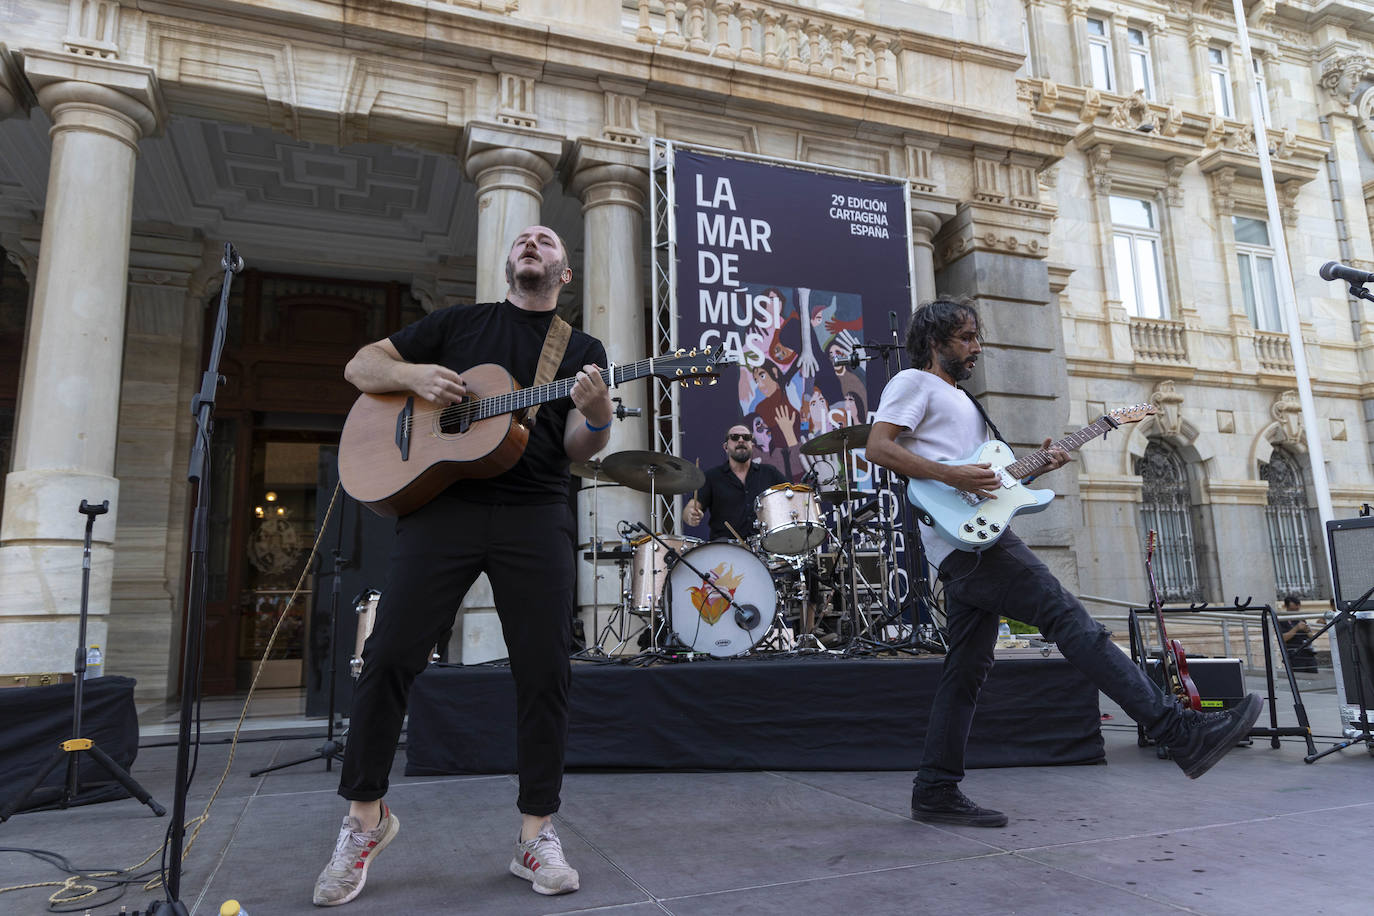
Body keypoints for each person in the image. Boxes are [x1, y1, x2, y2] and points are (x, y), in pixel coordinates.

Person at [864, 297, 1263, 829]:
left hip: (972, 543)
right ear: (935, 341)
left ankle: (935, 788)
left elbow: (993, 484)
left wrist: (1038, 465)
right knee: (1075, 625)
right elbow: (878, 448)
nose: (976, 346)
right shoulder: (915, 384)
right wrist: (956, 476)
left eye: (976, 336)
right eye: (965, 337)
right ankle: (1178, 731)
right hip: (975, 551)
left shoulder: (963, 402)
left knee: (964, 676)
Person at [312, 226, 613, 906]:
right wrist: (413, 375)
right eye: (523, 240)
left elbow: (578, 449)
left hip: (535, 512)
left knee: (544, 670)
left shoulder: (583, 352)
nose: (532, 243)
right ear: (511, 264)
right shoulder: (458, 325)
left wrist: (596, 416)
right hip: (441, 508)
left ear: (564, 271)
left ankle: (535, 834)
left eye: (547, 240)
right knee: (388, 656)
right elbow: (362, 367)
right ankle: (366, 821)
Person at [684, 422, 787, 542]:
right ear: (726, 447)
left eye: (746, 438)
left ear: (752, 445)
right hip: (725, 552)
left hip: (765, 547)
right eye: (734, 437)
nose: (741, 440)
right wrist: (690, 515)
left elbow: (790, 496)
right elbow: (691, 508)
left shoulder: (770, 473)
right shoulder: (712, 477)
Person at [1277, 595, 1319, 673]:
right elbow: (1283, 638)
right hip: (1294, 654)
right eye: (1293, 608)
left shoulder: (1301, 618)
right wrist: (1296, 628)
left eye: (1297, 607)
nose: (1296, 609)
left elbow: (1311, 636)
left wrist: (1307, 631)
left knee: (1314, 674)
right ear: (1286, 607)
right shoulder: (1282, 620)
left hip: (1308, 653)